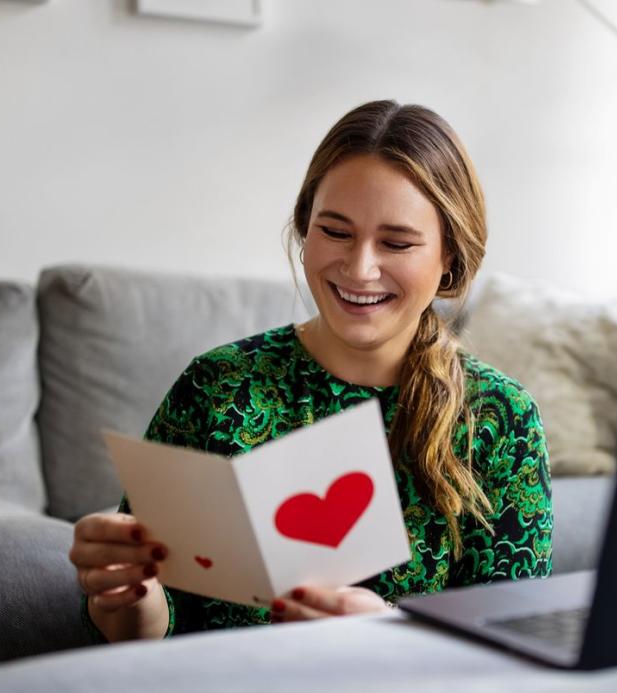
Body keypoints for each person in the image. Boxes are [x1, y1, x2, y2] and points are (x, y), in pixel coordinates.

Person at [69, 100, 553, 642]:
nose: (359, 267)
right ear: (305, 229)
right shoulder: (218, 387)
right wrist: (128, 597)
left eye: (396, 242)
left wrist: (390, 635)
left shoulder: (498, 418)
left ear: (449, 259)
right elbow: (150, 628)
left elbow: (514, 649)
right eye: (335, 231)